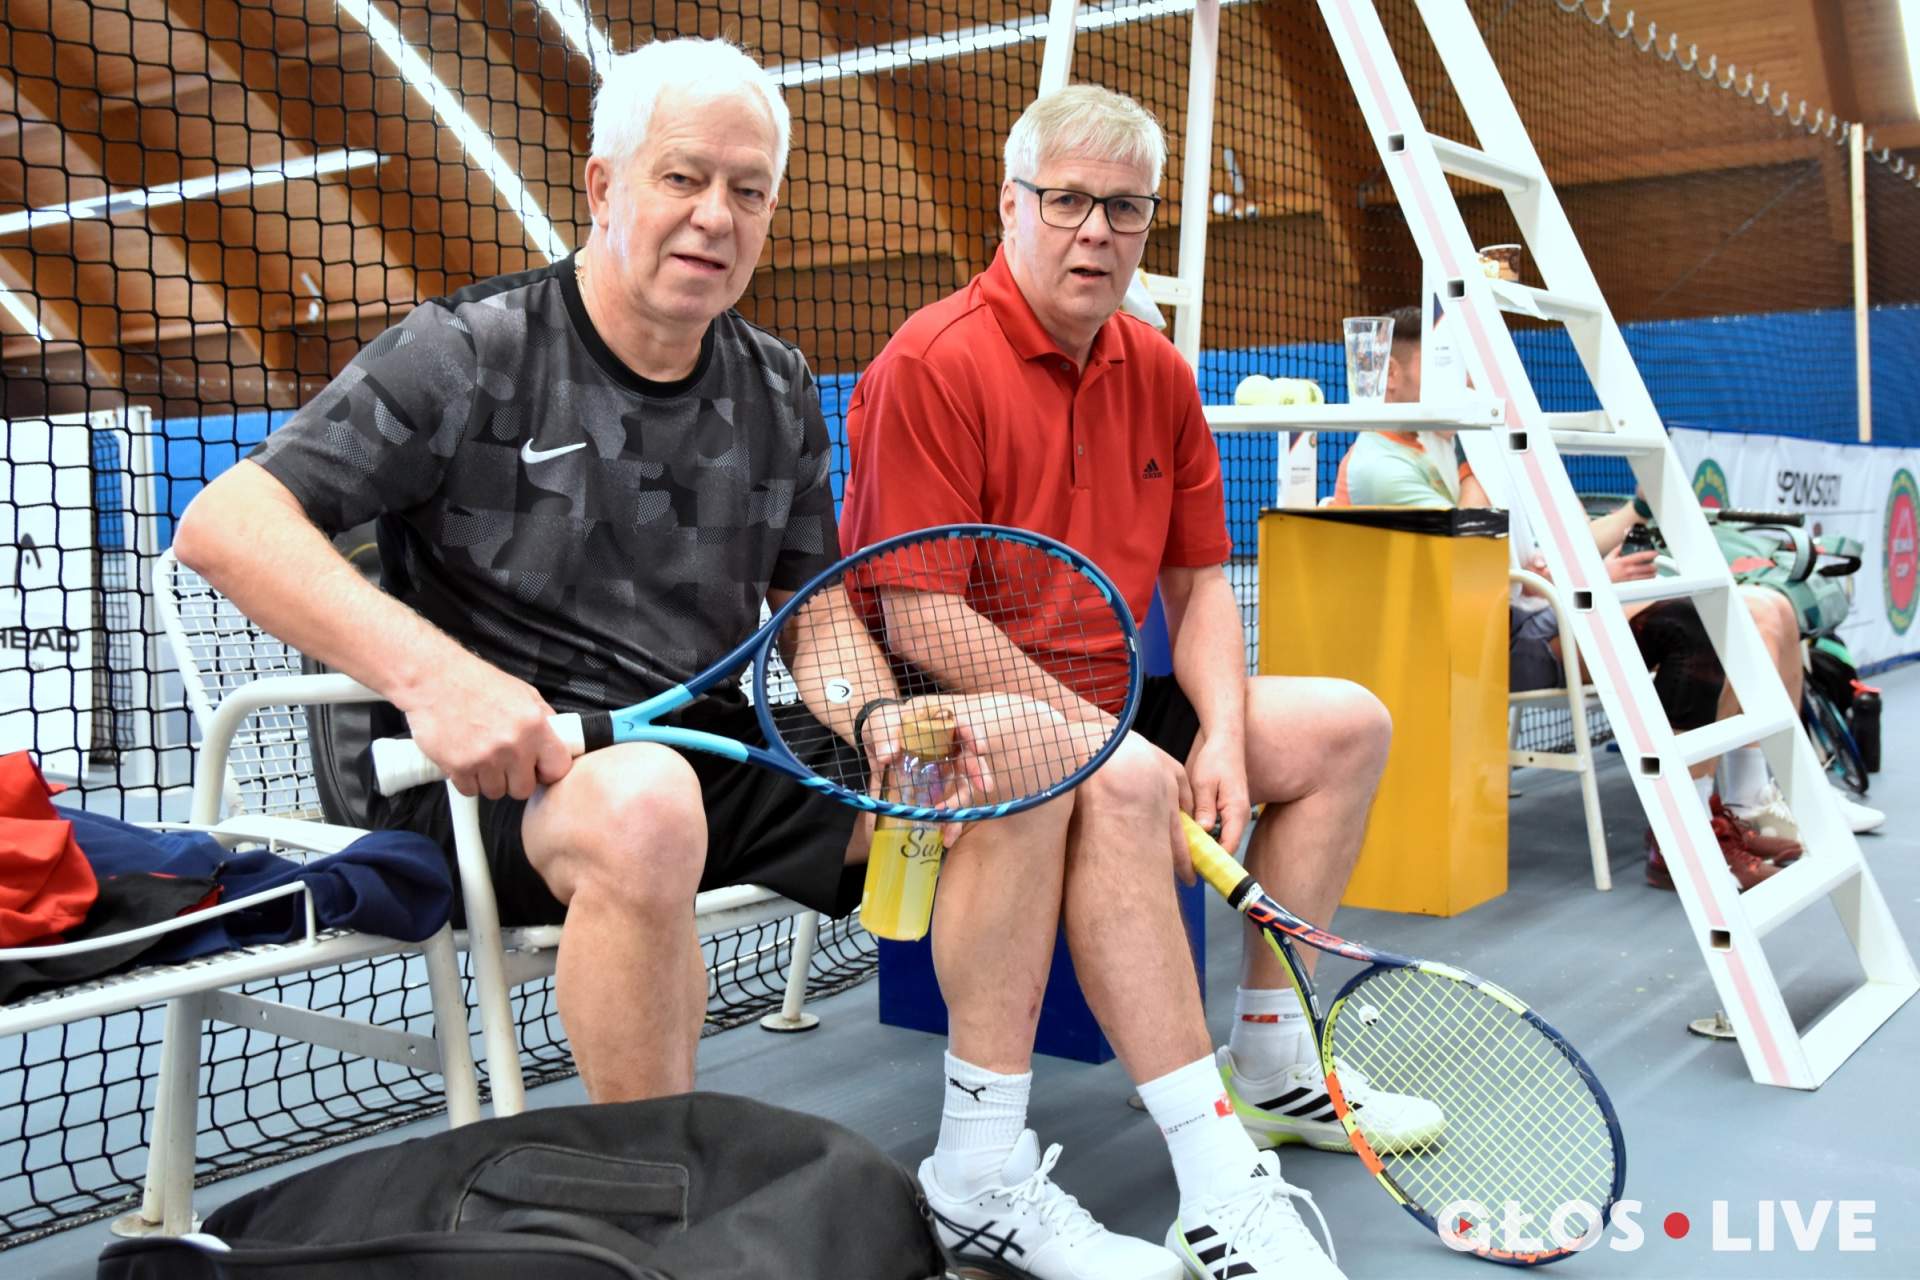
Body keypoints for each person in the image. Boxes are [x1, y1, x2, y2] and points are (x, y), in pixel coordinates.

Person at [172, 38, 995, 1107]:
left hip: (700, 748)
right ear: (604, 188)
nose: (716, 216)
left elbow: (816, 615)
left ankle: (983, 1155)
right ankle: (658, 1187)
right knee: (646, 805)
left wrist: (878, 720)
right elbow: (225, 523)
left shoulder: (777, 384)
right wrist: (439, 680)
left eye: (748, 191)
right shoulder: (468, 353)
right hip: (485, 786)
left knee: (996, 777)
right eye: (683, 177)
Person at [842, 85, 1435, 1280]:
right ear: (1011, 206)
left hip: (1113, 700)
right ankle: (1216, 1189)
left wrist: (1218, 728)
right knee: (1110, 779)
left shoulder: (1157, 369)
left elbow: (1200, 582)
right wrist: (1111, 740)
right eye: (1067, 201)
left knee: (1347, 725)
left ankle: (1273, 1061)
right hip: (955, 724)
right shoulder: (931, 364)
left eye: (1124, 208)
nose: (1095, 232)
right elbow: (918, 613)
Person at [1341, 305, 1821, 889]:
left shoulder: (1440, 448)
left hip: (1529, 611)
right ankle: (1683, 834)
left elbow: (1540, 552)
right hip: (1483, 642)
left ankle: (1737, 808)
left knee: (1753, 613)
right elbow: (1474, 570)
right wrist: (1480, 468)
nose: (1464, 383)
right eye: (1446, 367)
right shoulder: (1389, 465)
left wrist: (1633, 513)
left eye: (1463, 368)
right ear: (1392, 375)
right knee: (1698, 629)